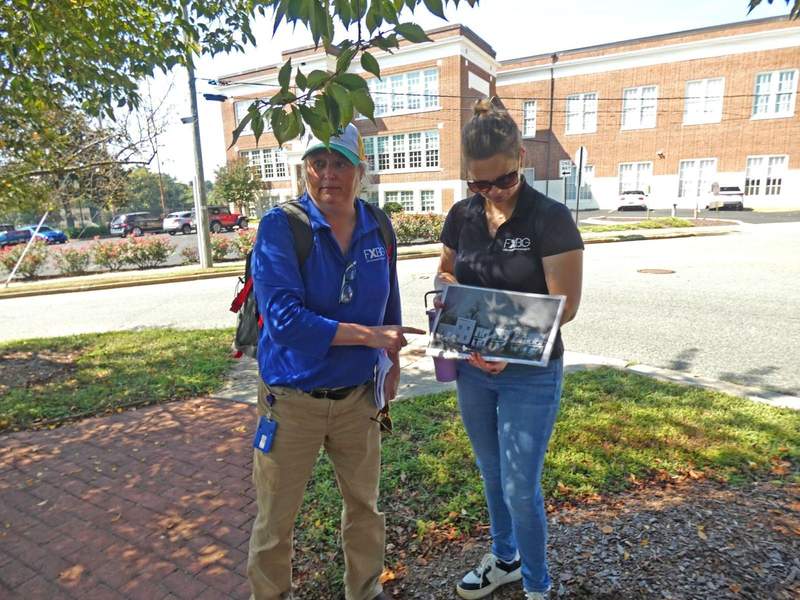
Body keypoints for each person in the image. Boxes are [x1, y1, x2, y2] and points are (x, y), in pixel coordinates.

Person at [246, 123, 424, 600]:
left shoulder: (378, 224)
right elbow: (285, 322)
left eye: (340, 162)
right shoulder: (281, 227)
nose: (328, 174)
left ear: (360, 171)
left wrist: (392, 357)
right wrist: (370, 336)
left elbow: (388, 297)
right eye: (317, 162)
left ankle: (365, 592)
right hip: (292, 403)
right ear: (304, 169)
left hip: (357, 402)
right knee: (275, 525)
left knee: (365, 510)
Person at [435, 98, 584, 600]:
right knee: (493, 474)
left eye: (502, 180)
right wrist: (445, 286)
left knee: (522, 487)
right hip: (474, 369)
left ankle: (538, 588)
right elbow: (449, 270)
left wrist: (511, 345)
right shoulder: (462, 214)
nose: (492, 192)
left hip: (531, 372)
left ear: (521, 156)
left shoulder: (551, 217)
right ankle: (505, 560)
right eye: (478, 183)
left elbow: (566, 305)